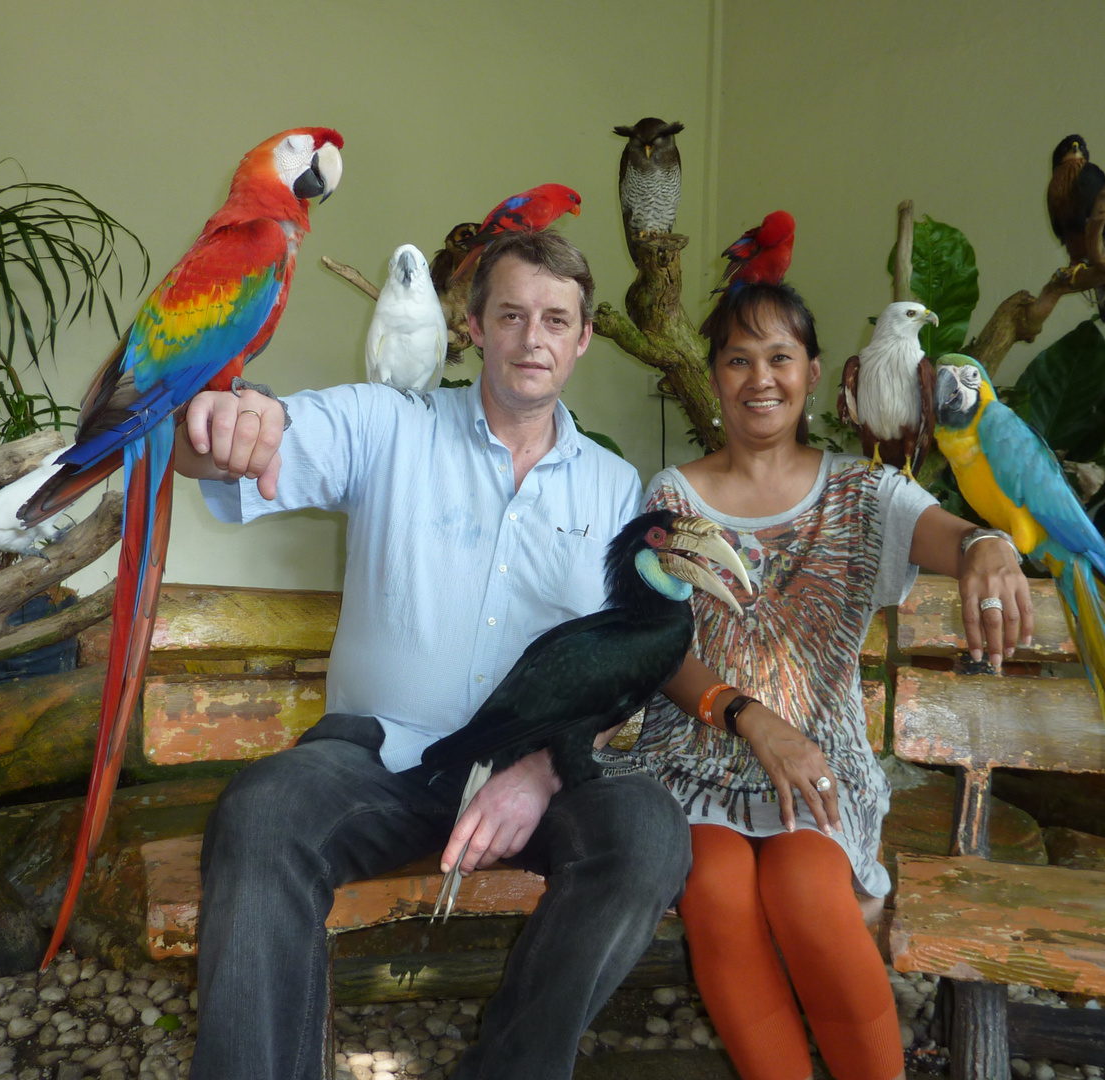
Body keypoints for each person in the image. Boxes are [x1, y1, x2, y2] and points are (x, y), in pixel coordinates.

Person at [172, 230, 692, 1080]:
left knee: (647, 832)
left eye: (556, 320)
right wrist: (229, 416)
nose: (534, 339)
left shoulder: (613, 487)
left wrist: (543, 772)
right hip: (379, 765)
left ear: (584, 337)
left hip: (525, 779)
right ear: (473, 326)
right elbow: (234, 450)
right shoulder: (391, 425)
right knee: (264, 813)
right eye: (513, 314)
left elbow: (617, 672)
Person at [632, 282, 1034, 1080]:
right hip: (696, 761)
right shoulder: (672, 498)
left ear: (815, 373)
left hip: (819, 771)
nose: (760, 379)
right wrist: (747, 718)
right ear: (713, 376)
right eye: (738, 360)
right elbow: (658, 651)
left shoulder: (863, 492)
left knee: (810, 899)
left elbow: (956, 537)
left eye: (780, 357)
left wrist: (989, 542)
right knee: (713, 894)